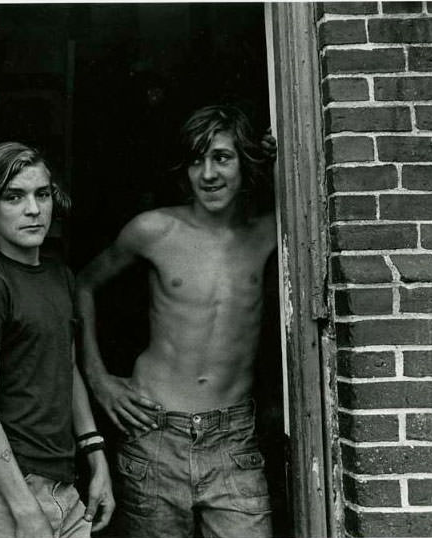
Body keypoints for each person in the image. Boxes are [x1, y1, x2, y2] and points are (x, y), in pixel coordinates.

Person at [76, 105, 276, 538]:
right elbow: (83, 286)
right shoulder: (154, 230)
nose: (207, 173)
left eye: (222, 157)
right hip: (155, 436)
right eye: (196, 160)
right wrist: (97, 378)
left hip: (233, 441)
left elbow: (315, 197)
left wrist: (281, 163)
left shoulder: (271, 232)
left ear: (246, 160)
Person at [0, 142, 114, 538]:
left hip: (65, 488)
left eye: (42, 194)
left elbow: (66, 367)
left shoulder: (61, 277)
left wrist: (97, 457)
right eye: (14, 197)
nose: (33, 209)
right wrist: (25, 510)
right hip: (9, 492)